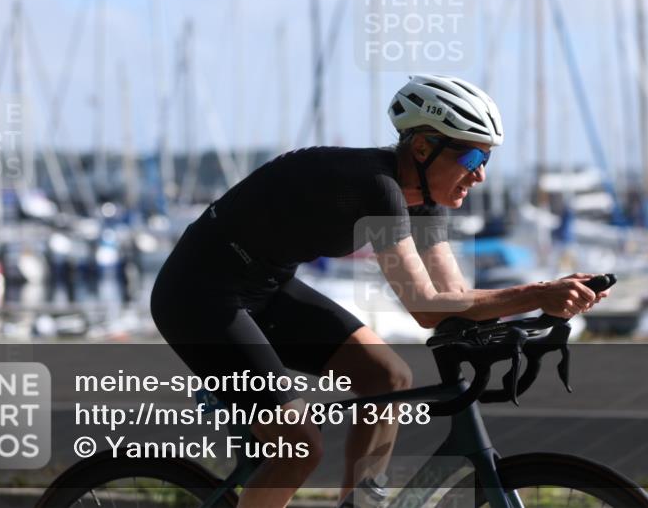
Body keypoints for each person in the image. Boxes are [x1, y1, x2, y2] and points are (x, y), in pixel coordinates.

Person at [150, 74, 608, 508]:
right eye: (472, 159)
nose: (481, 175)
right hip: (198, 297)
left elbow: (454, 295)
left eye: (487, 161)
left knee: (388, 376)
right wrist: (538, 292)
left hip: (264, 288)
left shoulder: (424, 202)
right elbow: (425, 306)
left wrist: (544, 311)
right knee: (298, 448)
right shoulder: (375, 186)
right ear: (423, 147)